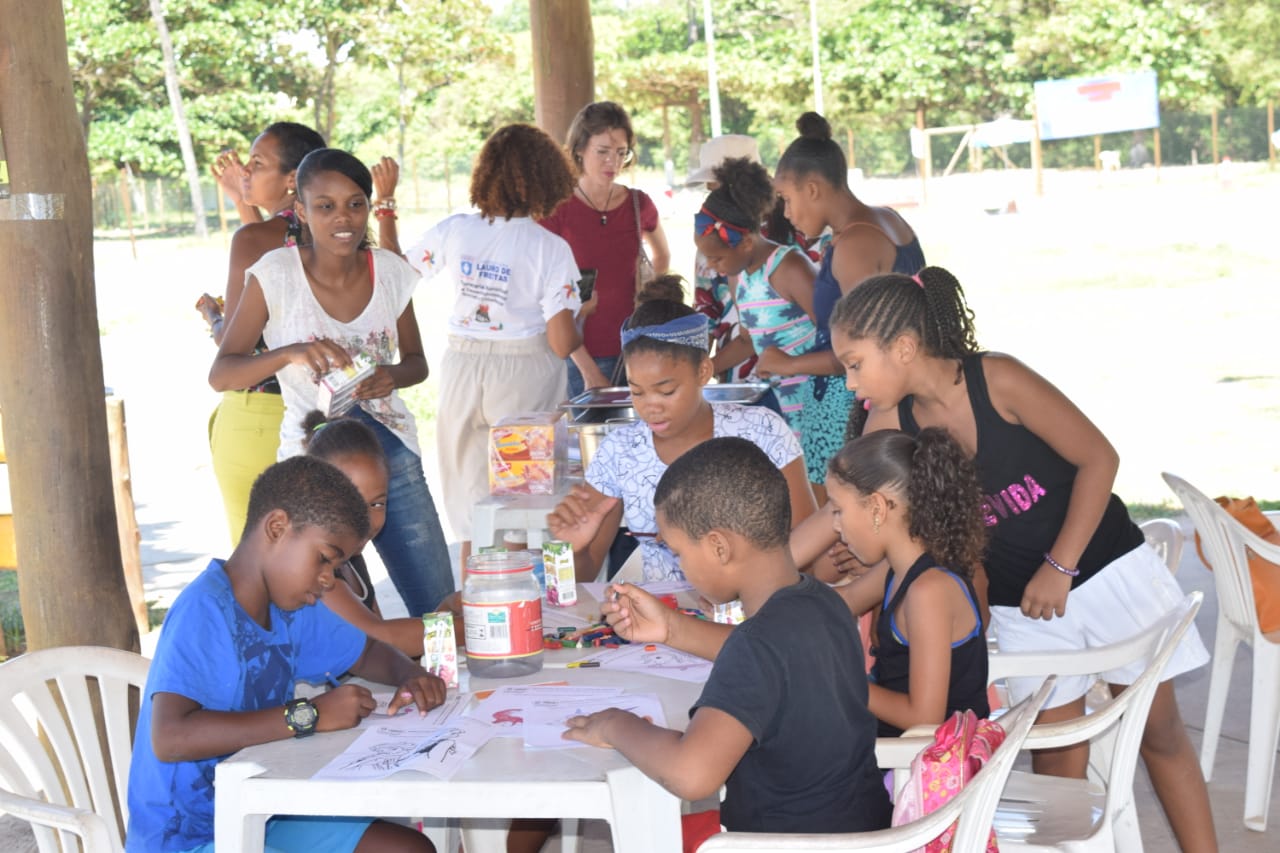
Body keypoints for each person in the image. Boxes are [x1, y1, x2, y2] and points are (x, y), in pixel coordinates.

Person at [828, 266, 1216, 852]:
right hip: (1022, 607)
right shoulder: (891, 422)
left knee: (1159, 734)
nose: (849, 381)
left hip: (1107, 569)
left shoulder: (996, 380)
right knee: (1058, 764)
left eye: (854, 363)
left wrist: (1060, 567)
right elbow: (859, 509)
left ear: (903, 348)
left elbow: (1098, 459)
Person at [563, 437, 892, 836]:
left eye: (679, 552)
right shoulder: (825, 605)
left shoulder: (757, 644)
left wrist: (615, 724)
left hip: (786, 846)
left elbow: (691, 774)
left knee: (645, 832)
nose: (680, 567)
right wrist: (671, 628)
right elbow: (777, 663)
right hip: (864, 837)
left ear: (719, 547)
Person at [125, 456, 444, 853]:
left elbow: (366, 651)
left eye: (338, 567)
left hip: (262, 812)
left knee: (410, 850)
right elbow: (171, 737)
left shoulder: (291, 609)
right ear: (277, 528)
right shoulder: (204, 611)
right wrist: (308, 716)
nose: (328, 580)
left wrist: (407, 676)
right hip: (185, 838)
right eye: (325, 559)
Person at [208, 148, 454, 618]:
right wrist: (290, 352)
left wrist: (391, 376)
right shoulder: (276, 275)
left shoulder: (391, 274)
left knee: (437, 606)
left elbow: (417, 363)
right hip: (310, 466)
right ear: (300, 211)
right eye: (325, 206)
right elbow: (222, 374)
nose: (343, 218)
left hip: (390, 455)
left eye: (355, 203)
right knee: (326, 620)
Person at [404, 123, 582, 569]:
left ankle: (476, 608)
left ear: (486, 174)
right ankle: (519, 611)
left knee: (471, 511)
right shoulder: (551, 248)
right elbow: (562, 343)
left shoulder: (456, 230)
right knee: (519, 507)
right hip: (525, 375)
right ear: (548, 178)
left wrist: (386, 210)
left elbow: (397, 274)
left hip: (462, 366)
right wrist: (586, 314)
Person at [547, 298, 817, 583]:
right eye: (636, 392)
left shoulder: (761, 431)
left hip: (755, 611)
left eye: (666, 391)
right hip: (660, 620)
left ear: (703, 372)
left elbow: (807, 549)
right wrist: (575, 552)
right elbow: (584, 574)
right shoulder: (621, 451)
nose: (651, 406)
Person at [196, 122, 326, 544]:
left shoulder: (253, 239)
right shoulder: (333, 232)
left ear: (292, 180)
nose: (246, 172)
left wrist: (214, 317)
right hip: (323, 416)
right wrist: (243, 201)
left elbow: (236, 347)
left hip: (260, 417)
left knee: (256, 557)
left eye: (257, 164)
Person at [766, 111, 926, 441]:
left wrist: (788, 364)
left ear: (812, 189)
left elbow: (863, 352)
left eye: (785, 199)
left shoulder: (855, 244)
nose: (785, 213)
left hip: (854, 403)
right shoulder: (886, 219)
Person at [823, 428, 989, 737]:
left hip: (922, 770)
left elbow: (924, 718)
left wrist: (835, 677)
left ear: (877, 508)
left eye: (838, 510)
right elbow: (842, 603)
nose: (835, 525)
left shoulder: (929, 591)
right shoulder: (901, 567)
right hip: (899, 751)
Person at [695, 156, 836, 489]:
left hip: (819, 406)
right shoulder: (737, 275)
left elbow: (842, 345)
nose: (712, 267)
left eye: (716, 258)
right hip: (783, 405)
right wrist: (708, 367)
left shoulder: (790, 268)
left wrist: (790, 363)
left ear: (745, 242)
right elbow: (747, 341)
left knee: (820, 500)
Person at [541, 101, 671, 397]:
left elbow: (662, 256)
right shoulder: (557, 208)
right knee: (584, 442)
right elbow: (543, 291)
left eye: (621, 153)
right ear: (579, 150)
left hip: (635, 350)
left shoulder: (639, 203)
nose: (613, 162)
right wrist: (588, 369)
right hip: (575, 356)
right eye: (602, 152)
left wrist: (649, 293)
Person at [303, 410, 425, 657]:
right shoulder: (316, 569)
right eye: (352, 503)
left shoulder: (351, 559)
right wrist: (466, 627)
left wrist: (446, 613)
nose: (365, 520)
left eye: (377, 504)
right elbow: (378, 638)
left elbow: (385, 642)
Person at [687, 134, 764, 385]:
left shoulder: (795, 230)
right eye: (711, 190)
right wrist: (698, 371)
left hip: (791, 378)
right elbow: (706, 312)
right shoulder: (709, 236)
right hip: (735, 376)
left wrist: (707, 369)